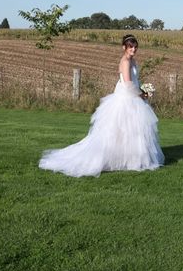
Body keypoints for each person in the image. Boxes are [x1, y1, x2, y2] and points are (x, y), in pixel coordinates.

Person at [39, 34, 164, 177]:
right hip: (125, 98)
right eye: (130, 47)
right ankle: (109, 158)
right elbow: (128, 84)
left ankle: (131, 159)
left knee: (133, 131)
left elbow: (135, 80)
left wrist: (143, 90)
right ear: (124, 47)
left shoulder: (133, 61)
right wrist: (142, 95)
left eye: (135, 47)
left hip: (133, 97)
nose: (133, 49)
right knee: (119, 130)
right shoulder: (125, 62)